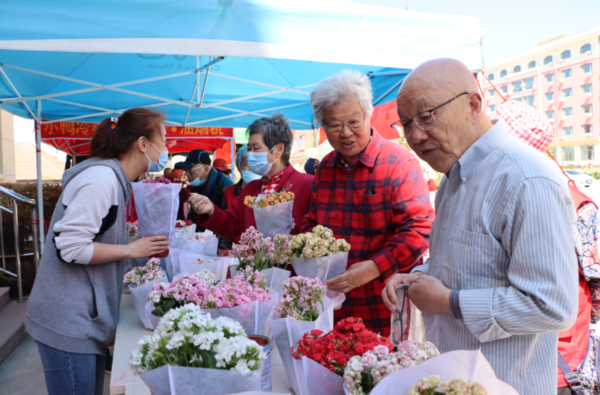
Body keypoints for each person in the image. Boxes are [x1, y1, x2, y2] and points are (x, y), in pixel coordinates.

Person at [383, 59, 578, 395]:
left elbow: (552, 307)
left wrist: (450, 302)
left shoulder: (527, 178)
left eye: (427, 116)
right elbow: (461, 264)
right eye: (406, 124)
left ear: (473, 104)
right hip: (450, 378)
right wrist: (417, 276)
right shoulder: (451, 177)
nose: (415, 136)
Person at [26, 109, 171, 395]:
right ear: (143, 144)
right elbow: (70, 246)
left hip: (82, 320)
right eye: (164, 140)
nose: (166, 149)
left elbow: (95, 235)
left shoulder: (113, 179)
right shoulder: (101, 179)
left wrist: (134, 247)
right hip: (68, 321)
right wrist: (130, 248)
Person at [300, 70, 434, 336]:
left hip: (381, 301)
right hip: (332, 301)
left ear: (368, 115)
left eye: (354, 122)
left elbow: (420, 228)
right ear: (323, 127)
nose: (346, 133)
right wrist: (303, 247)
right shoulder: (325, 167)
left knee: (378, 372)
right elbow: (313, 221)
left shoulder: (398, 163)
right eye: (335, 125)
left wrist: (374, 267)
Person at [188, 114, 313, 240]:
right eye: (249, 149)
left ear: (279, 149)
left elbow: (319, 233)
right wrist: (211, 210)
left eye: (256, 148)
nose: (250, 155)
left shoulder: (308, 185)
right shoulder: (251, 189)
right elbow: (231, 224)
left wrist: (297, 241)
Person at [175, 149, 233, 226]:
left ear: (206, 170)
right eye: (186, 170)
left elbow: (228, 221)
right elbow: (194, 214)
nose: (187, 174)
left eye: (191, 169)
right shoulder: (195, 184)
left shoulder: (225, 186)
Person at [223, 146, 261, 210]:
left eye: (256, 163)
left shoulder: (270, 191)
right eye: (247, 164)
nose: (252, 168)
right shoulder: (228, 193)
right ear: (238, 167)